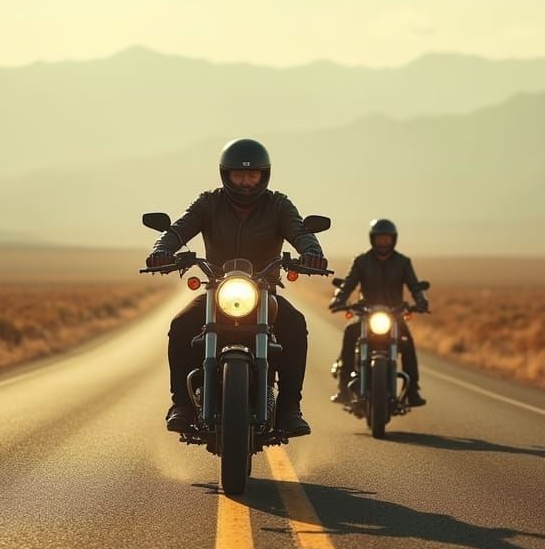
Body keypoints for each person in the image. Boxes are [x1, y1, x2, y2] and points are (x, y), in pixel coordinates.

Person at [146, 138, 328, 436]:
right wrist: (161, 249)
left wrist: (313, 254)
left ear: (263, 175)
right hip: (217, 291)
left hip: (264, 292)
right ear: (226, 174)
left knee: (295, 325)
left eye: (252, 175)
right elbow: (179, 229)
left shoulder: (278, 204)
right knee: (180, 326)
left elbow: (300, 231)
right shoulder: (208, 203)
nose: (245, 182)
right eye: (239, 175)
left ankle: (289, 409)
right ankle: (181, 404)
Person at [329, 218, 428, 406]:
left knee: (407, 343)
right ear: (372, 240)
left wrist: (421, 301)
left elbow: (415, 286)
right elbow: (348, 284)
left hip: (394, 316)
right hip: (366, 315)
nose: (383, 243)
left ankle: (413, 391)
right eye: (379, 239)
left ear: (393, 240)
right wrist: (339, 299)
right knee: (350, 334)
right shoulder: (362, 261)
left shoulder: (403, 262)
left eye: (387, 239)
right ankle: (343, 389)